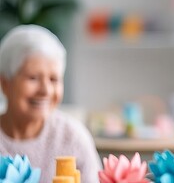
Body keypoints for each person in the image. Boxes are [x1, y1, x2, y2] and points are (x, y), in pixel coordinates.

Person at [0, 25, 101, 182]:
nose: (46, 90)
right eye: (33, 77)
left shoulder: (74, 138)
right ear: (5, 84)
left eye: (54, 79)